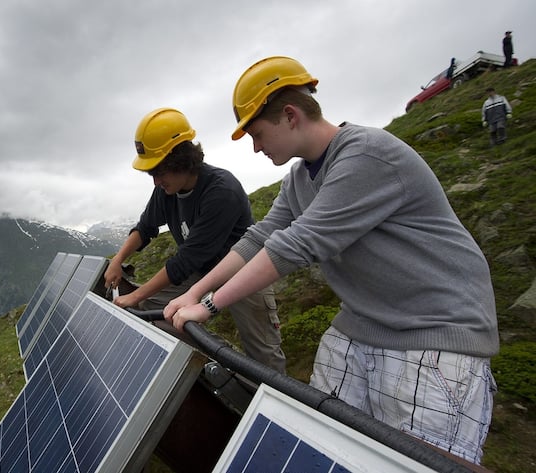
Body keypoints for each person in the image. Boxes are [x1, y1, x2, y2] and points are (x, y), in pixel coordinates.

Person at [163, 57, 499, 464]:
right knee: (322, 443)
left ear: (290, 116)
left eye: (257, 134)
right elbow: (259, 239)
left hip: (436, 333)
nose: (255, 147)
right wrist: (194, 293)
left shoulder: (366, 155)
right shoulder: (299, 179)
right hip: (362, 325)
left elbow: (298, 244)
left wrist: (210, 306)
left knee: (421, 463)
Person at [104, 107, 286, 373]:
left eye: (159, 172)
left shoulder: (221, 191)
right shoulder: (167, 190)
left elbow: (186, 260)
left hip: (244, 272)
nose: (155, 181)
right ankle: (214, 360)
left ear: (180, 160)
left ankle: (278, 402)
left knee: (263, 354)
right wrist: (117, 261)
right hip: (202, 272)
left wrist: (135, 296)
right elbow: (145, 228)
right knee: (153, 308)